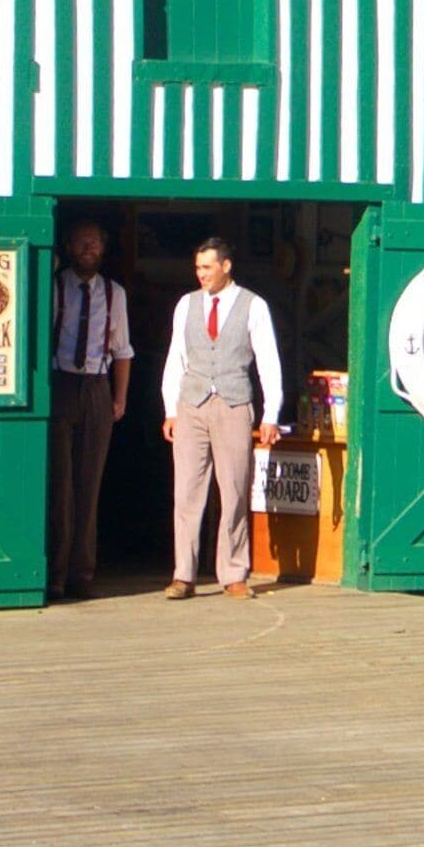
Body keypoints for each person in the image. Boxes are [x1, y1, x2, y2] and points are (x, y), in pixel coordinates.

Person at [161, 236, 282, 600]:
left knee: (234, 489)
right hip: (192, 403)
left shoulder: (253, 305)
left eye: (207, 268)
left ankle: (233, 573)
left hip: (233, 403)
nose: (201, 275)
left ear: (226, 266)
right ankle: (184, 574)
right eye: (198, 268)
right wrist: (170, 409)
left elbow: (268, 361)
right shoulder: (186, 304)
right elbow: (176, 358)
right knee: (187, 491)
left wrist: (271, 413)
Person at [45, 221, 136, 600]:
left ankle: (81, 573)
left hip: (97, 387)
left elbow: (123, 351)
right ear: (69, 245)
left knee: (89, 484)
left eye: (95, 242)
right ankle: (55, 573)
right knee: (59, 486)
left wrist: (119, 398)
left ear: (104, 248)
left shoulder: (115, 294)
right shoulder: (54, 287)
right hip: (60, 384)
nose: (88, 247)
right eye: (82, 241)